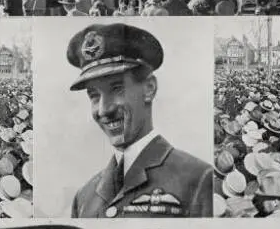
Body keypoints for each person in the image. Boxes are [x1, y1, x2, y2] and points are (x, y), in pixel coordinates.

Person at [68, 24, 213, 218]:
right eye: (94, 95)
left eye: (117, 89)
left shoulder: (199, 180)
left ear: (149, 88)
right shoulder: (84, 198)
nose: (104, 109)